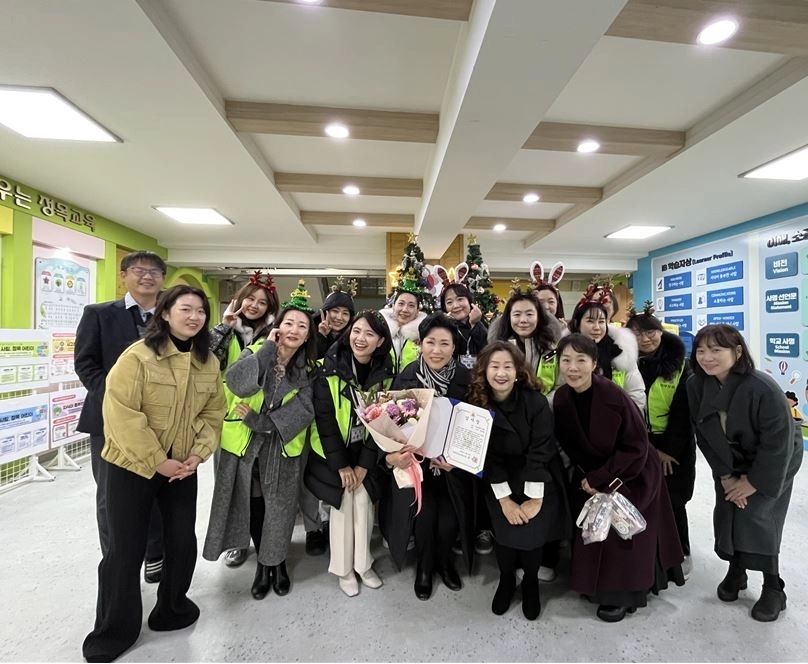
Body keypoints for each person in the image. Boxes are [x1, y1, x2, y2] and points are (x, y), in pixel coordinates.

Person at [81, 285, 226, 663]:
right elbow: (122, 416)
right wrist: (157, 460)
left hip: (182, 467)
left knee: (181, 541)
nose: (194, 317)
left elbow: (213, 413)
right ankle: (114, 629)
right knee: (125, 549)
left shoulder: (206, 361)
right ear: (164, 313)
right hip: (132, 465)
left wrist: (198, 454)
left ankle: (172, 608)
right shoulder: (137, 357)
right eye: (186, 309)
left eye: (200, 311)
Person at [553, 333, 684, 623]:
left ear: (595, 363)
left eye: (580, 360)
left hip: (633, 472)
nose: (572, 367)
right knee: (592, 531)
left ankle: (624, 594)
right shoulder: (562, 398)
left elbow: (636, 446)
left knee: (623, 535)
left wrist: (602, 479)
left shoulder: (613, 395)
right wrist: (589, 478)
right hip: (594, 475)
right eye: (566, 360)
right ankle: (593, 584)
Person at [687, 324, 803, 622]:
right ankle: (736, 571)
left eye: (716, 350)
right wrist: (726, 476)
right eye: (701, 350)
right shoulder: (696, 385)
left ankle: (773, 586)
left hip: (773, 463)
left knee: (759, 516)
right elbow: (703, 433)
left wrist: (752, 482)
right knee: (728, 512)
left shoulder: (762, 388)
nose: (707, 357)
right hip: (728, 463)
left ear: (737, 352)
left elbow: (778, 444)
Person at [204, 303, 317, 600]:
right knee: (252, 506)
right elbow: (237, 383)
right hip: (243, 449)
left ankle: (276, 563)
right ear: (277, 326)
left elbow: (305, 409)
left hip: (280, 446)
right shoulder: (253, 351)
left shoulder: (308, 369)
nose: (294, 330)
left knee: (279, 510)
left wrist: (261, 422)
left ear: (308, 336)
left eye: (302, 327)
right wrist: (267, 349)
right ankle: (261, 568)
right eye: (289, 323)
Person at [75, 250, 167, 584]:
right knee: (112, 496)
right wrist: (118, 399)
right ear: (123, 275)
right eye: (140, 270)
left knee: (157, 489)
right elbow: (86, 365)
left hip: (159, 422)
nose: (147, 276)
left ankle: (154, 554)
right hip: (108, 422)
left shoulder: (170, 317)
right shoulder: (99, 314)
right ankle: (117, 561)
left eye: (155, 271)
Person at [468, 341, 567, 620]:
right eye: (494, 366)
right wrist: (505, 499)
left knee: (532, 534)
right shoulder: (477, 402)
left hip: (537, 474)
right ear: (484, 370)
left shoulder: (534, 401)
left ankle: (531, 581)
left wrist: (534, 497)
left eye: (508, 367)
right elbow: (485, 454)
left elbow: (542, 449)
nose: (501, 373)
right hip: (497, 477)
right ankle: (507, 579)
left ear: (518, 370)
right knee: (505, 533)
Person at [380, 313, 475, 600]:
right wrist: (403, 454)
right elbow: (392, 426)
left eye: (444, 343)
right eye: (430, 342)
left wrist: (456, 458)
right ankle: (424, 566)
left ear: (454, 348)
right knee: (423, 515)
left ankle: (444, 562)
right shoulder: (407, 376)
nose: (436, 350)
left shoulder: (465, 378)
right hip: (416, 468)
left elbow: (473, 426)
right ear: (421, 344)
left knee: (448, 519)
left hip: (450, 469)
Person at [304, 311, 395, 596]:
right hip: (331, 454)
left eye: (369, 334)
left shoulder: (386, 374)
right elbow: (324, 421)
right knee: (344, 498)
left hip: (367, 451)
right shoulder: (327, 367)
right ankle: (343, 569)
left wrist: (365, 465)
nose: (360, 338)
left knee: (364, 498)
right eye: (356, 331)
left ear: (380, 341)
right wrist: (342, 466)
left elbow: (384, 423)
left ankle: (363, 564)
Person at [208, 272, 280, 568]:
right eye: (250, 298)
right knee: (232, 488)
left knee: (260, 487)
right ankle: (236, 543)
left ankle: (265, 541)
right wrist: (224, 327)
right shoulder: (226, 331)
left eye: (262, 302)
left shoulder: (273, 335)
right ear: (238, 299)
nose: (254, 305)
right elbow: (206, 360)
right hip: (229, 421)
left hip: (262, 419)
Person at [625, 306, 696, 577]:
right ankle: (648, 549)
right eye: (637, 333)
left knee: (674, 500)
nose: (645, 339)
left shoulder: (679, 365)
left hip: (673, 447)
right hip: (636, 442)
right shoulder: (624, 363)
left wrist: (666, 450)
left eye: (651, 332)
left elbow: (683, 413)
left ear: (661, 332)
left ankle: (682, 549)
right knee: (641, 497)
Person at [568, 300, 645, 410]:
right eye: (590, 321)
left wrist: (620, 419)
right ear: (577, 323)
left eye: (601, 321)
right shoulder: (566, 352)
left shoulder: (621, 351)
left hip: (617, 419)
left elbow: (636, 393)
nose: (597, 327)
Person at [495, 290, 563, 393]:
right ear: (509, 318)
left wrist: (542, 405)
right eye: (517, 314)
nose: (523, 320)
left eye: (529, 314)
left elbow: (560, 386)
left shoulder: (554, 348)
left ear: (538, 317)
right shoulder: (497, 349)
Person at [440, 283, 487, 369]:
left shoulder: (482, 323)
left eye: (460, 299)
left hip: (479, 376)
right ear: (445, 308)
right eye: (449, 302)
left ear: (469, 302)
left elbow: (487, 348)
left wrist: (474, 324)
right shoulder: (443, 328)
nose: (456, 305)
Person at [379, 289, 426, 374]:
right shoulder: (380, 332)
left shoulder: (424, 336)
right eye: (401, 304)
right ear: (393, 306)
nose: (404, 309)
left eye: (411, 306)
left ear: (417, 311)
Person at [315, 277, 356, 359]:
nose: (339, 317)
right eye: (335, 311)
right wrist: (321, 336)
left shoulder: (353, 338)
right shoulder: (309, 333)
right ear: (325, 311)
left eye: (345, 313)